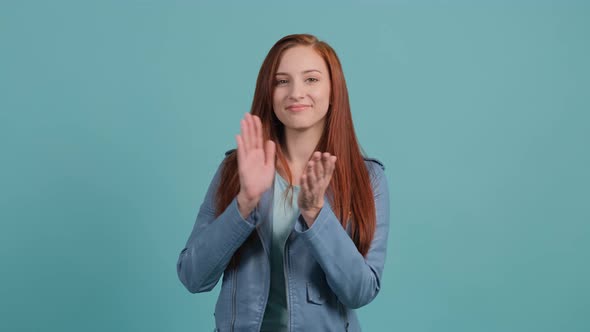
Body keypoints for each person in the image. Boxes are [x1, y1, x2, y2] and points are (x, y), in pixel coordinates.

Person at [177, 33, 390, 332]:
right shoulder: (234, 169)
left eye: (311, 79)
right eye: (281, 81)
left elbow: (360, 291)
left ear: (334, 90)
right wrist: (245, 203)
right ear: (269, 92)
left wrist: (316, 214)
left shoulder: (368, 178)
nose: (296, 92)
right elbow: (193, 276)